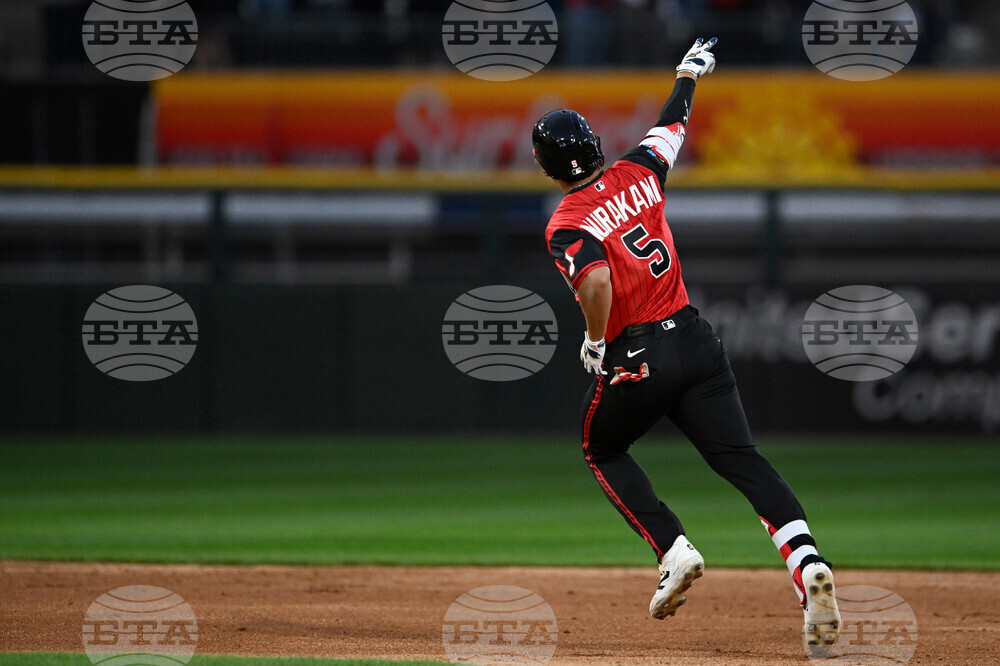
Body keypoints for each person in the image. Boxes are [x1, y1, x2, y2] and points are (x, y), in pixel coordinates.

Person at [532, 38, 841, 647]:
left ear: (546, 165)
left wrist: (595, 341)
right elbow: (671, 123)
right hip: (696, 342)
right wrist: (687, 74)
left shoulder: (566, 221)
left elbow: (593, 278)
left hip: (636, 354)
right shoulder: (641, 172)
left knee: (602, 449)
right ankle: (807, 566)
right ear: (593, 143)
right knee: (743, 461)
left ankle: (673, 549)